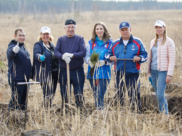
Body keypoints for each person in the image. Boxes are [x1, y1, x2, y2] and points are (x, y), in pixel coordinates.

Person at [105, 21, 148, 111]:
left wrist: (139, 58)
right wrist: (110, 57)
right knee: (119, 95)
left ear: (130, 30)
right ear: (120, 31)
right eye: (122, 30)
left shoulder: (137, 42)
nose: (125, 32)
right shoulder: (115, 43)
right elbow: (107, 55)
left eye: (126, 29)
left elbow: (145, 55)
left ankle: (136, 113)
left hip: (133, 74)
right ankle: (120, 113)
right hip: (119, 74)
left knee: (134, 95)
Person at [54, 19, 86, 109]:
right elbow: (56, 52)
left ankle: (80, 111)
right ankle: (66, 110)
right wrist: (62, 56)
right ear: (65, 28)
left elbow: (83, 52)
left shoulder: (80, 39)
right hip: (64, 71)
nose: (70, 29)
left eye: (72, 27)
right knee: (64, 93)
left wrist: (72, 55)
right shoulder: (61, 39)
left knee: (78, 92)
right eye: (68, 27)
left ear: (75, 28)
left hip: (77, 71)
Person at [148, 20, 175, 115]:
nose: (158, 29)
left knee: (160, 95)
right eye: (156, 27)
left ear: (164, 28)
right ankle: (162, 114)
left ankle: (165, 116)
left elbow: (172, 59)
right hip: (153, 71)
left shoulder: (169, 41)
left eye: (160, 27)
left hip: (163, 72)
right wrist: (149, 73)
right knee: (158, 95)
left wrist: (169, 75)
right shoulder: (153, 42)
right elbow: (150, 57)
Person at [84, 22, 113, 110]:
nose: (99, 31)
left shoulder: (110, 43)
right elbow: (86, 56)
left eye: (101, 29)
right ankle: (99, 111)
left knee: (99, 94)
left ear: (104, 30)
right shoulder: (91, 43)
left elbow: (113, 58)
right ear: (95, 31)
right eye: (97, 29)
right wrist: (90, 61)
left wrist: (105, 62)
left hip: (105, 73)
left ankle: (100, 112)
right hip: (92, 72)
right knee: (95, 94)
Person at [33, 26, 58, 108]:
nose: (46, 36)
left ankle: (48, 108)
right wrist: (39, 57)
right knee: (47, 94)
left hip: (54, 73)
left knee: (52, 94)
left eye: (47, 34)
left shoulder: (52, 46)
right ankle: (45, 110)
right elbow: (36, 53)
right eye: (44, 34)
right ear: (41, 35)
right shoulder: (38, 45)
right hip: (45, 73)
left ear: (50, 35)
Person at [7, 28, 32, 111]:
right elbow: (10, 53)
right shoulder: (12, 46)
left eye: (23, 35)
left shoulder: (23, 48)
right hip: (16, 78)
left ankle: (20, 119)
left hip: (24, 78)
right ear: (15, 36)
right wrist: (13, 51)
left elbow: (26, 63)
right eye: (20, 35)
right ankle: (10, 118)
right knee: (15, 100)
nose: (22, 37)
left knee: (23, 101)